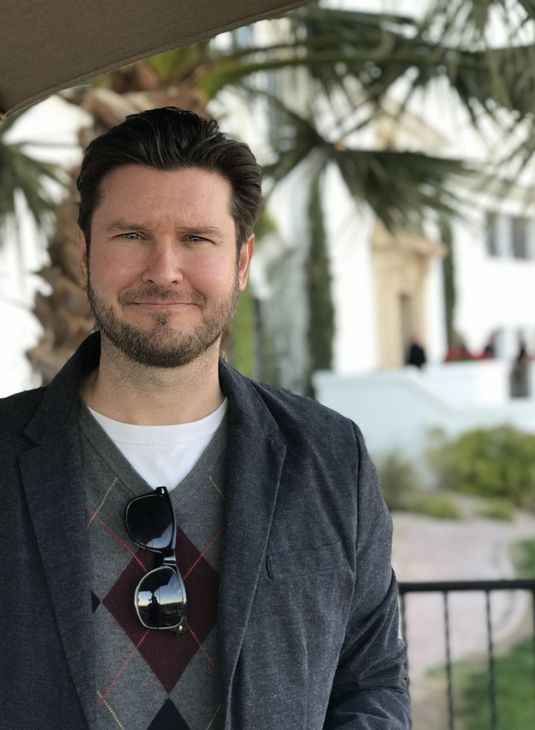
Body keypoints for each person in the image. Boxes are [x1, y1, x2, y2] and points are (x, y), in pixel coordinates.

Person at [0, 107, 410, 729]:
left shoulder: (330, 458)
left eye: (196, 238)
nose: (164, 270)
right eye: (132, 235)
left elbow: (371, 684)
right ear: (84, 255)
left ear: (242, 262)